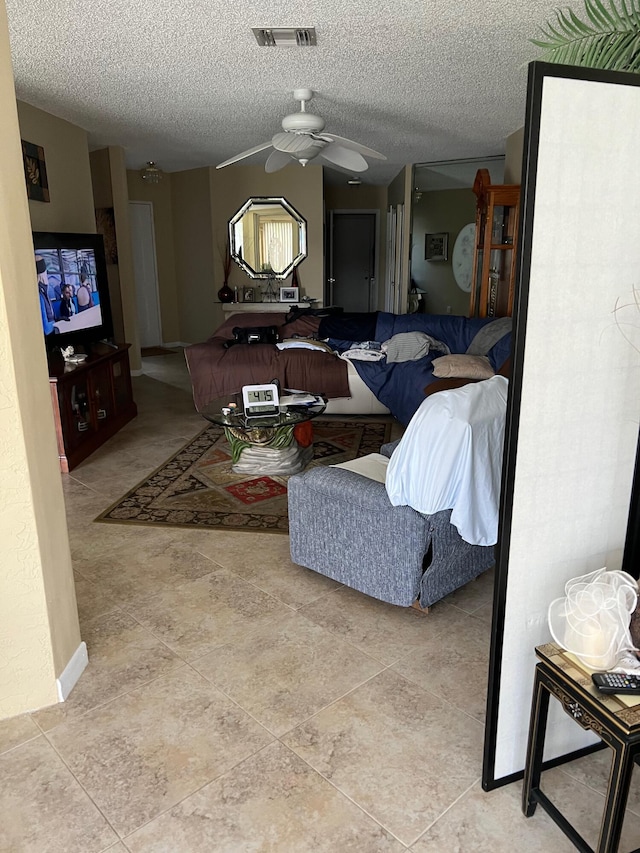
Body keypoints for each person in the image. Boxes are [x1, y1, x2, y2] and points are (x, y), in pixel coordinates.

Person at [36, 256, 58, 335]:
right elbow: (45, 327)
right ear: (41, 276)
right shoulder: (39, 295)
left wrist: (57, 320)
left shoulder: (44, 292)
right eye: (45, 273)